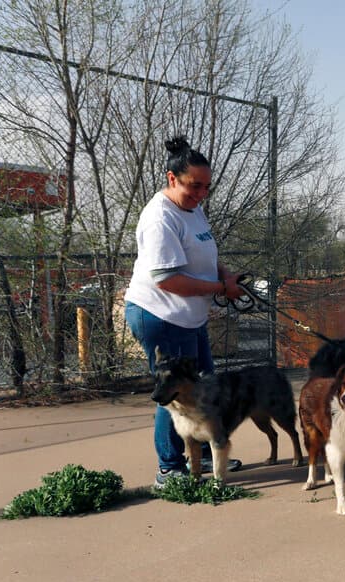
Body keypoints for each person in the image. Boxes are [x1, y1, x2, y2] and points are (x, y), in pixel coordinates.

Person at [124, 136, 245, 488]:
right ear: (172, 178)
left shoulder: (193, 208)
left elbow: (206, 252)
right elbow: (167, 279)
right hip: (161, 316)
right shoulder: (159, 217)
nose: (201, 194)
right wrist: (222, 290)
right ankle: (169, 467)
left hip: (189, 317)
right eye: (194, 186)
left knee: (203, 387)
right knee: (173, 392)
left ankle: (203, 452)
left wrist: (224, 275)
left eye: (206, 187)